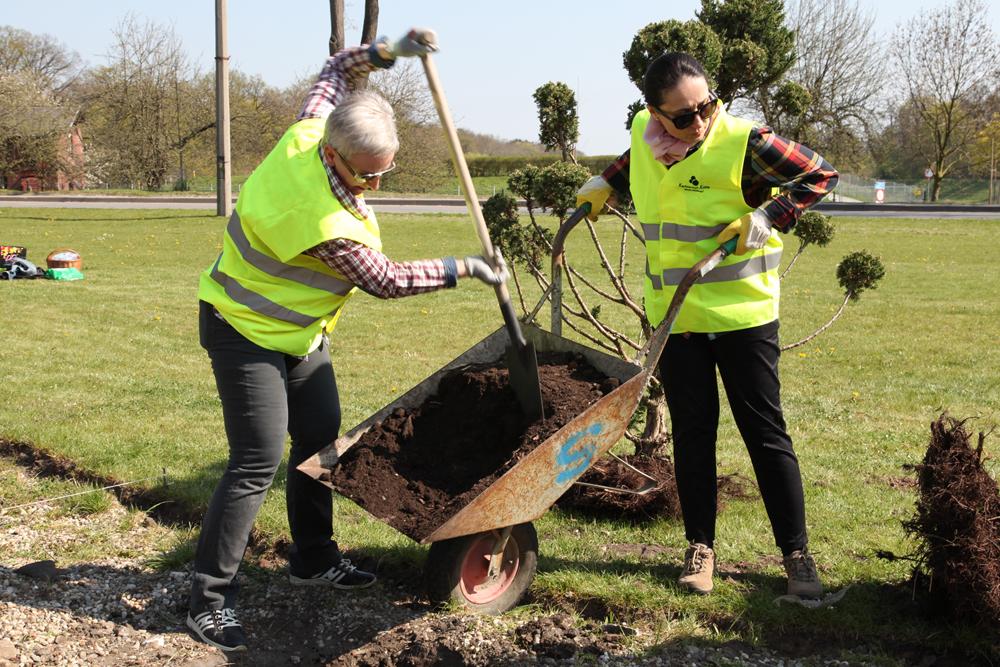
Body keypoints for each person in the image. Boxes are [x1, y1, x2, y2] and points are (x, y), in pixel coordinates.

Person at [187, 28, 508, 653]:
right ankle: (208, 598)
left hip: (301, 335)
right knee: (255, 461)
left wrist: (390, 54)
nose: (375, 187)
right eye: (367, 176)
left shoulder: (314, 126)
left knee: (319, 442)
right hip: (241, 329)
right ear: (335, 155)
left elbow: (338, 66)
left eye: (385, 173)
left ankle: (313, 557)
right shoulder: (324, 219)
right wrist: (464, 268)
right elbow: (386, 281)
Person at [576, 52, 838, 598]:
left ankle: (797, 555)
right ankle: (700, 550)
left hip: (744, 318)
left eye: (706, 107)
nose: (699, 122)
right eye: (681, 116)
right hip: (677, 320)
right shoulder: (647, 134)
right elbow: (636, 162)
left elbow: (820, 174)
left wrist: (769, 216)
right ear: (653, 114)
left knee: (765, 436)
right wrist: (605, 180)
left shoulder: (745, 142)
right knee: (694, 437)